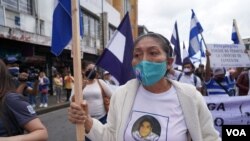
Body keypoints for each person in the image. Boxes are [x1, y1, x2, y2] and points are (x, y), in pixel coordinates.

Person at [68, 33, 221, 141]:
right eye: (137, 55)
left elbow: (209, 137)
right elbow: (111, 136)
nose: (143, 60)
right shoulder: (122, 94)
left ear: (169, 62)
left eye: (153, 53)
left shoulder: (190, 96)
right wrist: (86, 121)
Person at [0, 59, 48, 140]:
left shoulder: (13, 92)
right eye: (12, 65)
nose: (15, 67)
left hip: (18, 109)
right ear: (6, 66)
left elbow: (32, 93)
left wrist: (34, 82)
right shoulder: (15, 80)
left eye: (17, 65)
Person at [70, 62, 113, 141]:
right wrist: (81, 87)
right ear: (84, 71)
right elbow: (72, 101)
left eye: (94, 69)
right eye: (90, 69)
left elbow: (113, 96)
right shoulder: (78, 84)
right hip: (85, 120)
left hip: (102, 119)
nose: (92, 71)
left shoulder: (100, 82)